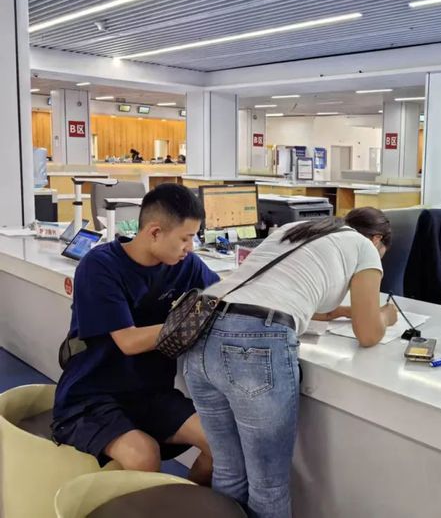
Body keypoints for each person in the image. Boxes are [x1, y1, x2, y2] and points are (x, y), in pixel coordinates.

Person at [184, 207, 398, 518]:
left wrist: (343, 311)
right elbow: (368, 334)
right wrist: (385, 315)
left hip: (203, 333)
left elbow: (284, 291)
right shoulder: (365, 248)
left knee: (229, 470)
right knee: (267, 487)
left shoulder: (300, 229)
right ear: (377, 239)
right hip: (254, 344)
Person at [52, 184, 220, 484]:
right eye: (185, 238)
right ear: (155, 232)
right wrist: (188, 321)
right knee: (144, 455)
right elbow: (128, 342)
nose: (190, 248)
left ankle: (190, 501)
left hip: (150, 394)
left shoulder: (187, 266)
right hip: (92, 395)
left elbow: (227, 297)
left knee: (220, 443)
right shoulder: (99, 266)